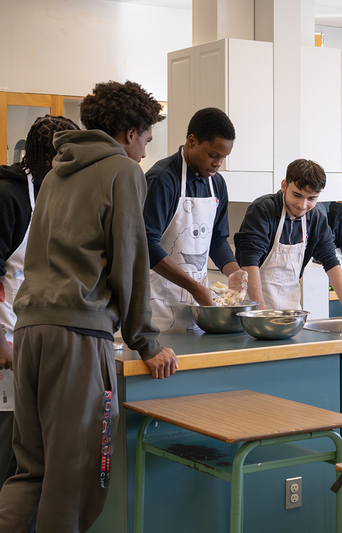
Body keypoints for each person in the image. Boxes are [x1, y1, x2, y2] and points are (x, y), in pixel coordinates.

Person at [0, 80, 179, 532]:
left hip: (30, 332)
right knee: (79, 475)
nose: (143, 153)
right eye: (145, 141)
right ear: (129, 132)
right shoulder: (122, 171)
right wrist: (146, 341)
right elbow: (131, 261)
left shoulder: (57, 171)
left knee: (31, 471)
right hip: (77, 339)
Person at [0, 115, 80, 487]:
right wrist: (1, 341)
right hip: (6, 341)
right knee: (8, 448)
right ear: (51, 159)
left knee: (30, 451)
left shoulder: (53, 196)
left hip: (34, 339)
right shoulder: (9, 196)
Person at [144, 107, 247, 332]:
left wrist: (234, 271)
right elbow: (146, 245)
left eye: (223, 157)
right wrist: (194, 287)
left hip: (198, 311)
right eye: (212, 155)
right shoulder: (162, 180)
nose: (218, 163)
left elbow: (217, 239)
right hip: (158, 305)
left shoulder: (217, 184)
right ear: (192, 141)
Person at [235, 159, 342, 316]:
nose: (303, 205)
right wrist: (261, 312)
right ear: (284, 186)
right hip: (254, 309)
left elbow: (330, 260)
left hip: (290, 311)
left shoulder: (315, 217)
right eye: (297, 195)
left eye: (311, 198)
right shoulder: (263, 210)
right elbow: (249, 262)